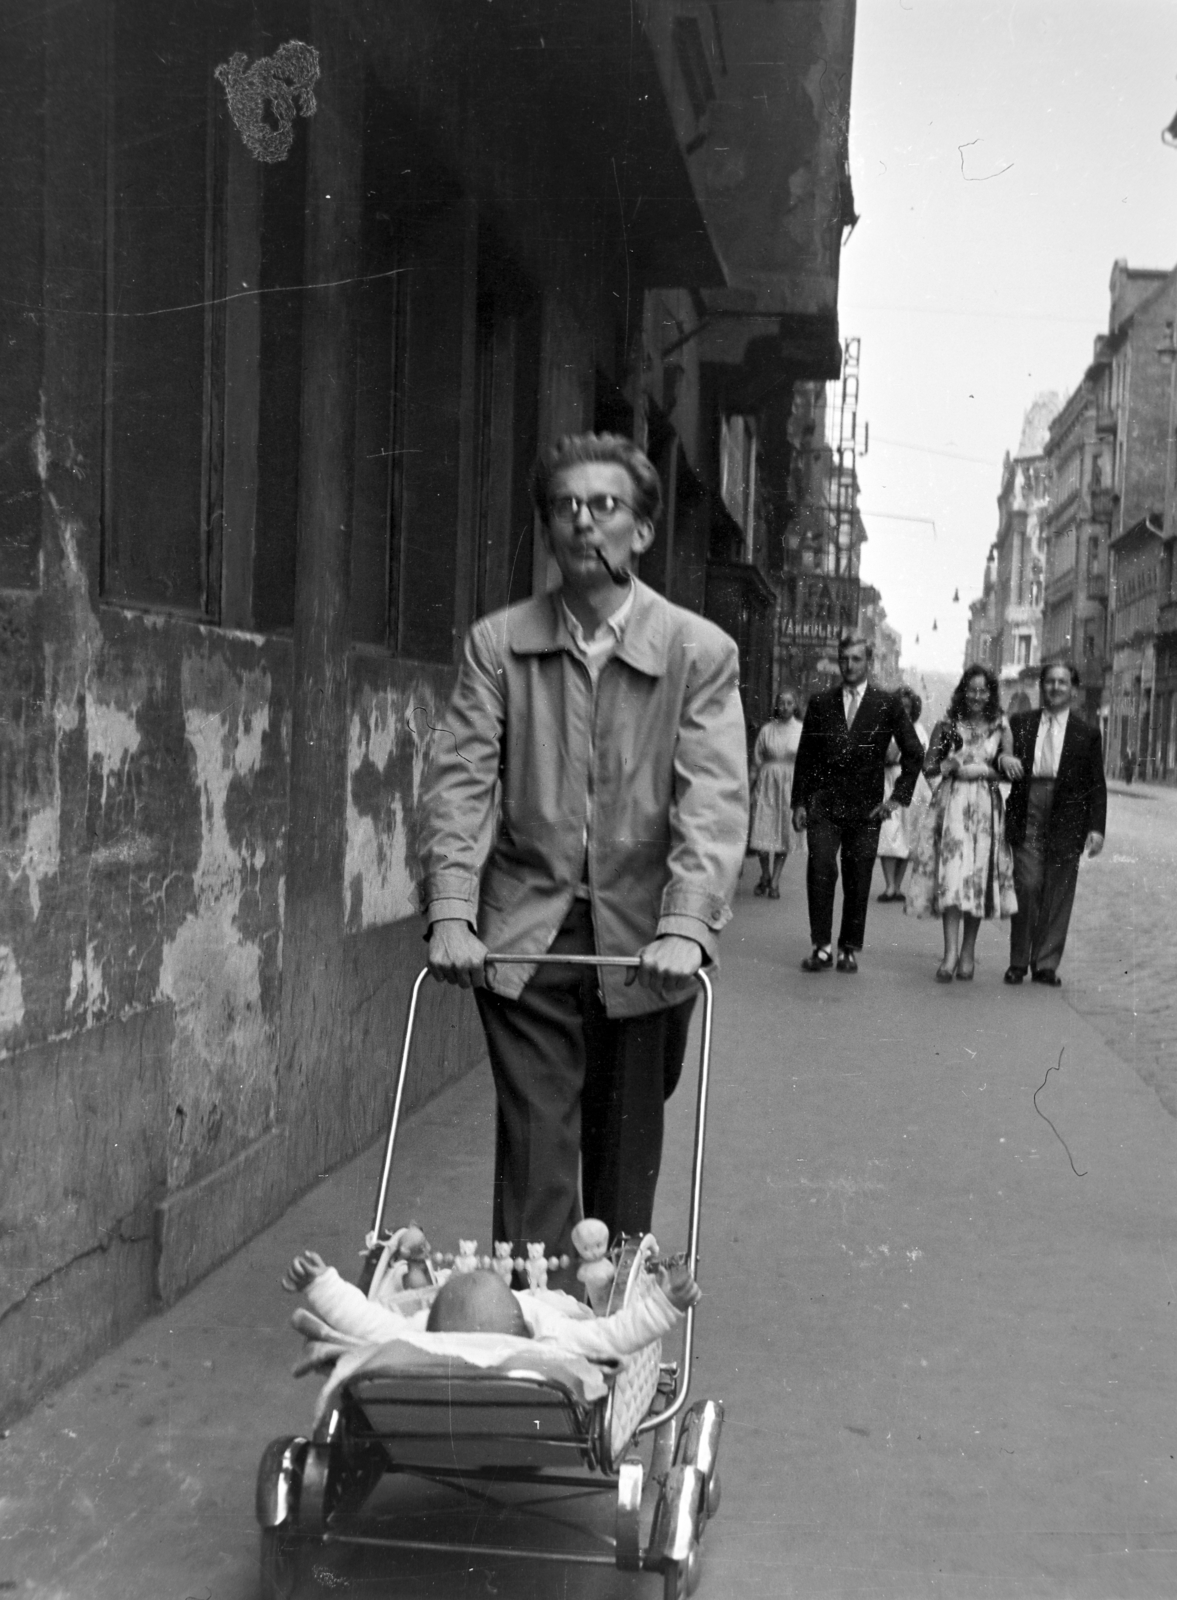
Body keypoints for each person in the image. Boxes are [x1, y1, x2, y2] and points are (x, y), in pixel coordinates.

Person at [417, 433, 748, 1289]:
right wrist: (453, 910)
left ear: (640, 532)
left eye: (604, 506)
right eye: (565, 506)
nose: (582, 521)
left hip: (642, 939)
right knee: (537, 1153)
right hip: (527, 938)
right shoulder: (498, 645)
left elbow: (711, 799)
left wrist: (685, 923)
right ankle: (530, 1349)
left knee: (623, 1152)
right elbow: (458, 781)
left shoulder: (695, 652)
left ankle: (607, 1337)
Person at [283, 1249, 701, 1361]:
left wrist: (322, 1285)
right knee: (592, 1324)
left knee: (376, 1322)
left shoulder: (417, 1342)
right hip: (535, 1426)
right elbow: (614, 1337)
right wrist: (664, 1305)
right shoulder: (547, 1347)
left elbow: (362, 1321)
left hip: (434, 1421)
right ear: (525, 1324)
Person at [791, 635, 924, 973]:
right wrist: (799, 802)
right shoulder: (821, 703)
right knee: (821, 867)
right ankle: (821, 946)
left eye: (856, 660)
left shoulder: (886, 704)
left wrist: (895, 800)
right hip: (824, 804)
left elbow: (914, 752)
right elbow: (806, 756)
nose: (849, 666)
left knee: (857, 875)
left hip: (866, 808)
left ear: (869, 663)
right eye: (844, 659)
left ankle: (848, 947)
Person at [905, 665, 1018, 981]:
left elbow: (1011, 770)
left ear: (991, 694)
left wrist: (985, 771)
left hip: (985, 810)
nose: (977, 697)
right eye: (972, 690)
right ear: (962, 691)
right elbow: (928, 768)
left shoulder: (1001, 727)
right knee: (953, 878)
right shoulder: (947, 725)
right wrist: (950, 766)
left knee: (977, 880)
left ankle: (968, 951)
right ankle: (950, 953)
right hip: (952, 807)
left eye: (984, 691)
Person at [1002, 660, 1106, 987]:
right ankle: (1018, 961)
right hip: (1029, 806)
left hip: (1068, 816)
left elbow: (1096, 784)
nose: (1055, 688)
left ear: (1073, 690)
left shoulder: (1086, 734)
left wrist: (1096, 828)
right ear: (1041, 686)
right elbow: (995, 755)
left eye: (1062, 683)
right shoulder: (1019, 724)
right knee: (1028, 885)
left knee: (1059, 889)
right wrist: (1003, 758)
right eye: (1050, 682)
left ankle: (1045, 963)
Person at [876, 686, 931, 902]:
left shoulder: (918, 729)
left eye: (907, 707)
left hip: (911, 784)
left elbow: (921, 757)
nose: (904, 711)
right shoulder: (884, 728)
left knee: (907, 835)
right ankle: (889, 884)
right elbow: (888, 756)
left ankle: (896, 886)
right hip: (888, 782)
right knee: (888, 831)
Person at [748, 689, 803, 899]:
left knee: (783, 832)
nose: (786, 707)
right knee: (762, 828)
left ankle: (775, 881)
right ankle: (765, 873)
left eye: (790, 703)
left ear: (795, 706)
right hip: (767, 784)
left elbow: (805, 762)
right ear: (776, 705)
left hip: (789, 785)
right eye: (782, 703)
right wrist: (750, 785)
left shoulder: (801, 730)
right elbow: (756, 761)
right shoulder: (767, 730)